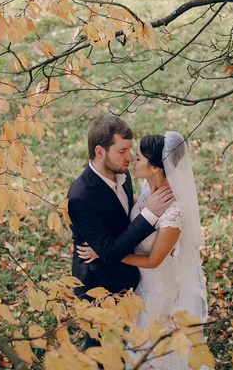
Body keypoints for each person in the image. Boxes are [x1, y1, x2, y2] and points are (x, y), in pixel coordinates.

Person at [77, 131, 209, 369]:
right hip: (140, 284)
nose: (131, 161)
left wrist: (104, 252)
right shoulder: (148, 187)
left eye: (137, 157)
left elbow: (152, 261)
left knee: (150, 349)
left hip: (159, 289)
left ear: (157, 167)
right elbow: (135, 207)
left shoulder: (174, 211)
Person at [68, 116, 175, 351]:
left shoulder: (121, 173)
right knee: (100, 348)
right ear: (100, 151)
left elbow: (122, 208)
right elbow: (108, 252)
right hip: (98, 284)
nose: (130, 158)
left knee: (121, 344)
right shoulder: (81, 197)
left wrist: (146, 202)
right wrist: (150, 213)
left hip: (126, 279)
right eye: (123, 150)